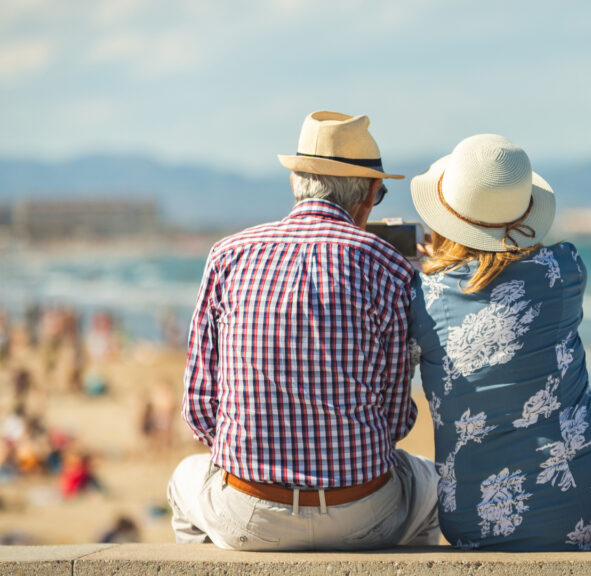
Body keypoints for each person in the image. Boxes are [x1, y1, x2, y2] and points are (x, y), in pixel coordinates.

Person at [167, 110, 439, 551]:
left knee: (184, 479)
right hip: (362, 513)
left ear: (295, 181)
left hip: (249, 514)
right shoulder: (388, 268)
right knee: (428, 484)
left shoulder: (228, 255)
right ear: (370, 195)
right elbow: (395, 421)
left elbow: (200, 413)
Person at [408, 134, 591, 550]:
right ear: (525, 210)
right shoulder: (565, 270)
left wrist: (430, 264)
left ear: (446, 216)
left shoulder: (422, 296)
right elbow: (506, 272)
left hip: (475, 520)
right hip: (589, 506)